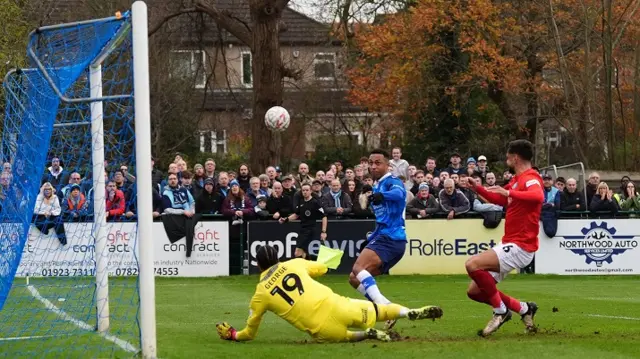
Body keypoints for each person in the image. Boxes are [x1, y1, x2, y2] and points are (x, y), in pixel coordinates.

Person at [215, 245, 443, 343]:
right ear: (277, 257)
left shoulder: (260, 293)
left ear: (258, 265)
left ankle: (366, 334)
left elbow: (250, 332)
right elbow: (323, 268)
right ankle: (407, 312)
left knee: (343, 336)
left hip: (321, 327)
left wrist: (234, 335)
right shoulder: (294, 264)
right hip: (336, 304)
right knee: (380, 310)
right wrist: (322, 258)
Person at [466, 139, 542, 337]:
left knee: (472, 265)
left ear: (515, 157)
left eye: (508, 156)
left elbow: (538, 196)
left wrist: (509, 191)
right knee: (475, 292)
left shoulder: (531, 177)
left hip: (522, 245)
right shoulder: (517, 180)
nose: (506, 159)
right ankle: (524, 308)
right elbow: (501, 199)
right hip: (510, 242)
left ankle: (500, 311)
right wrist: (477, 188)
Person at [348, 149, 408, 330]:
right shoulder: (377, 186)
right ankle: (387, 307)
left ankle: (386, 309)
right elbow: (382, 220)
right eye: (371, 163)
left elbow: (399, 195)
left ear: (387, 165)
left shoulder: (392, 182)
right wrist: (370, 238)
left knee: (358, 268)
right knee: (353, 278)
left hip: (392, 238)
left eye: (378, 163)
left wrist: (382, 195)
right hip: (383, 236)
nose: (373, 166)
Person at [279, 183, 327, 260]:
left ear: (311, 191)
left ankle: (307, 267)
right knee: (303, 253)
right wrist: (286, 219)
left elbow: (324, 217)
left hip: (310, 230)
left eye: (307, 190)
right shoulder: (301, 202)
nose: (305, 192)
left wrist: (323, 231)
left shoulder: (315, 203)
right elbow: (296, 215)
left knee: (297, 252)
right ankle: (313, 265)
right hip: (302, 229)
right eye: (303, 190)